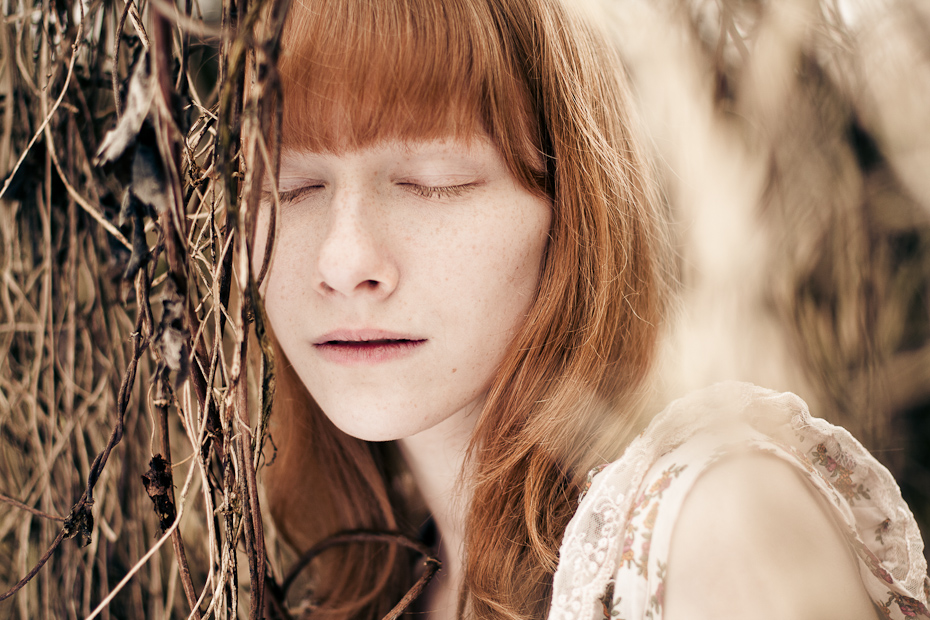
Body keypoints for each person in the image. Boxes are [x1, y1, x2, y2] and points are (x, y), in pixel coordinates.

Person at [256, 1, 930, 619]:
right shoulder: (366, 586)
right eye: (294, 187)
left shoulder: (707, 529)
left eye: (433, 183)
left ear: (572, 211)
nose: (344, 264)